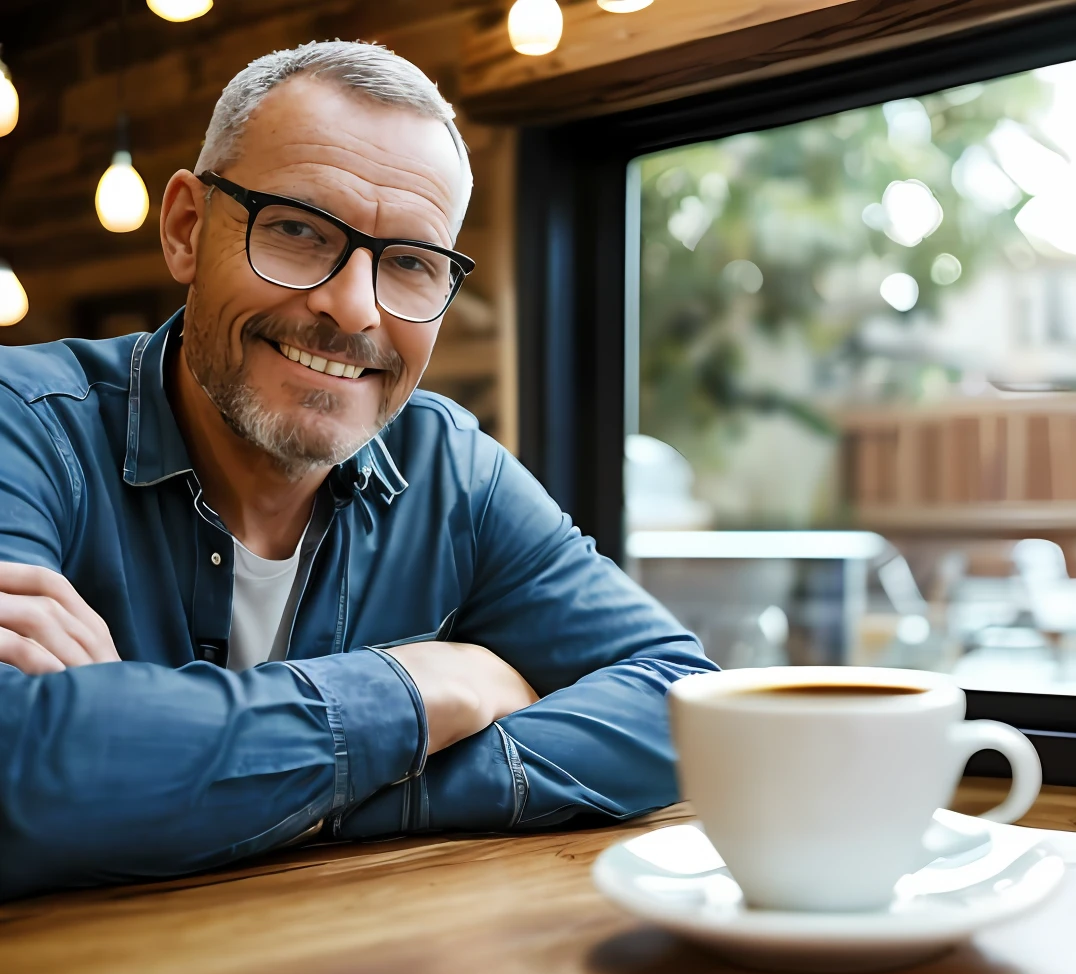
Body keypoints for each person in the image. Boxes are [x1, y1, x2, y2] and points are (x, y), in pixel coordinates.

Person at [0, 41, 714, 901]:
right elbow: (13, 770)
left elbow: (684, 706)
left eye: (411, 262)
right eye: (298, 230)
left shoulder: (456, 475)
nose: (354, 307)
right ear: (188, 229)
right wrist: (418, 693)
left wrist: (313, 789)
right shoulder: (25, 427)